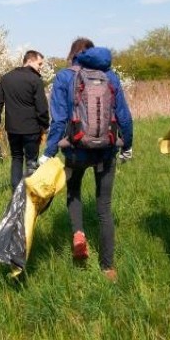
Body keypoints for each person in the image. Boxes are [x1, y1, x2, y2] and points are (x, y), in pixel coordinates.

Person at [40, 38, 134, 282]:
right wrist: (128, 145)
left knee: (74, 192)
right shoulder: (110, 77)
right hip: (105, 151)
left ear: (73, 54)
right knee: (104, 207)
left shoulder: (64, 77)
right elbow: (123, 115)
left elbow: (59, 121)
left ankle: (79, 233)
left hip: (75, 150)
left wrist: (48, 152)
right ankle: (107, 267)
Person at [0, 50, 50, 191]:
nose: (40, 67)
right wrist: (44, 126)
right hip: (32, 128)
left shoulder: (6, 78)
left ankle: (15, 193)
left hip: (12, 129)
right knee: (31, 162)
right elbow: (42, 108)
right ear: (29, 61)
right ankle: (29, 194)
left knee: (16, 158)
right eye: (39, 63)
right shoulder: (35, 80)